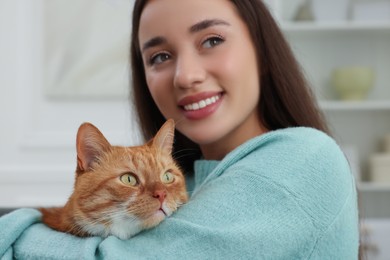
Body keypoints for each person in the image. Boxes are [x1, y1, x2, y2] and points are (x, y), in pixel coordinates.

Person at [0, 0, 359, 259]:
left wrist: (14, 231)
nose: (186, 75)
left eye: (212, 40)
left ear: (262, 51)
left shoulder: (302, 159)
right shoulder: (185, 181)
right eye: (159, 57)